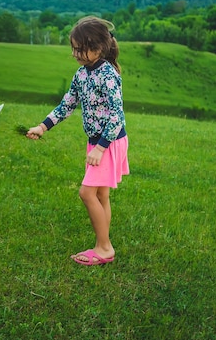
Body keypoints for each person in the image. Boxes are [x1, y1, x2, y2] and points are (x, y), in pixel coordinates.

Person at [26, 16, 129, 266]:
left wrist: (101, 148)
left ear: (97, 48)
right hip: (97, 142)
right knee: (101, 195)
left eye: (79, 48)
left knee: (86, 193)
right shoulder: (82, 74)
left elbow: (117, 115)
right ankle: (104, 243)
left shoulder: (108, 75)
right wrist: (43, 126)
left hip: (109, 141)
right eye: (73, 48)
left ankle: (104, 248)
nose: (74, 53)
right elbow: (68, 104)